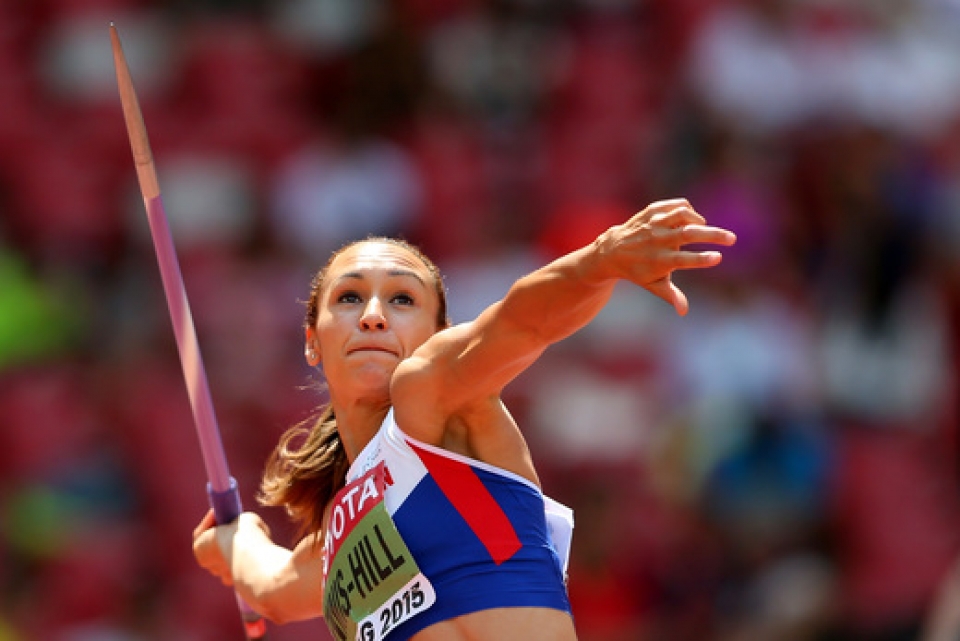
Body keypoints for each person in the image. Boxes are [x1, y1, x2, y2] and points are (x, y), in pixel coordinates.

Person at [192, 198, 737, 640]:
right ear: (312, 341)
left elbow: (521, 323)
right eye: (350, 297)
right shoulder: (341, 527)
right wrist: (233, 541)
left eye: (402, 300)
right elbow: (276, 588)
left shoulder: (428, 394)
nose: (374, 316)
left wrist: (601, 260)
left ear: (438, 335)